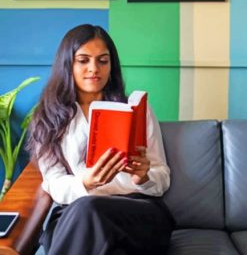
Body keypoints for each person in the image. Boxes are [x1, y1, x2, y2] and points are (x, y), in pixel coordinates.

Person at [26, 24, 174, 255]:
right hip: (76, 213)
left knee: (89, 210)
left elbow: (162, 175)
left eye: (102, 61)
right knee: (90, 215)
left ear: (111, 65)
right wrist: (86, 182)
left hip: (137, 211)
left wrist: (144, 177)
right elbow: (54, 182)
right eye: (83, 60)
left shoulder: (135, 110)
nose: (94, 69)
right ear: (68, 64)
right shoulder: (48, 117)